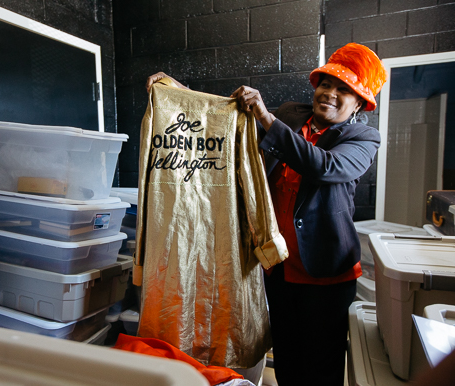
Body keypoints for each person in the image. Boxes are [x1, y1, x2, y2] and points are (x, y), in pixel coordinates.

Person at [145, 42, 387, 385]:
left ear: (360, 102)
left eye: (343, 89)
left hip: (325, 272)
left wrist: (266, 118)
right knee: (287, 353)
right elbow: (230, 122)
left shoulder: (364, 137)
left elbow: (324, 166)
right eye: (326, 84)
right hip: (278, 267)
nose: (330, 93)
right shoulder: (291, 114)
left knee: (320, 362)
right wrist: (181, 95)